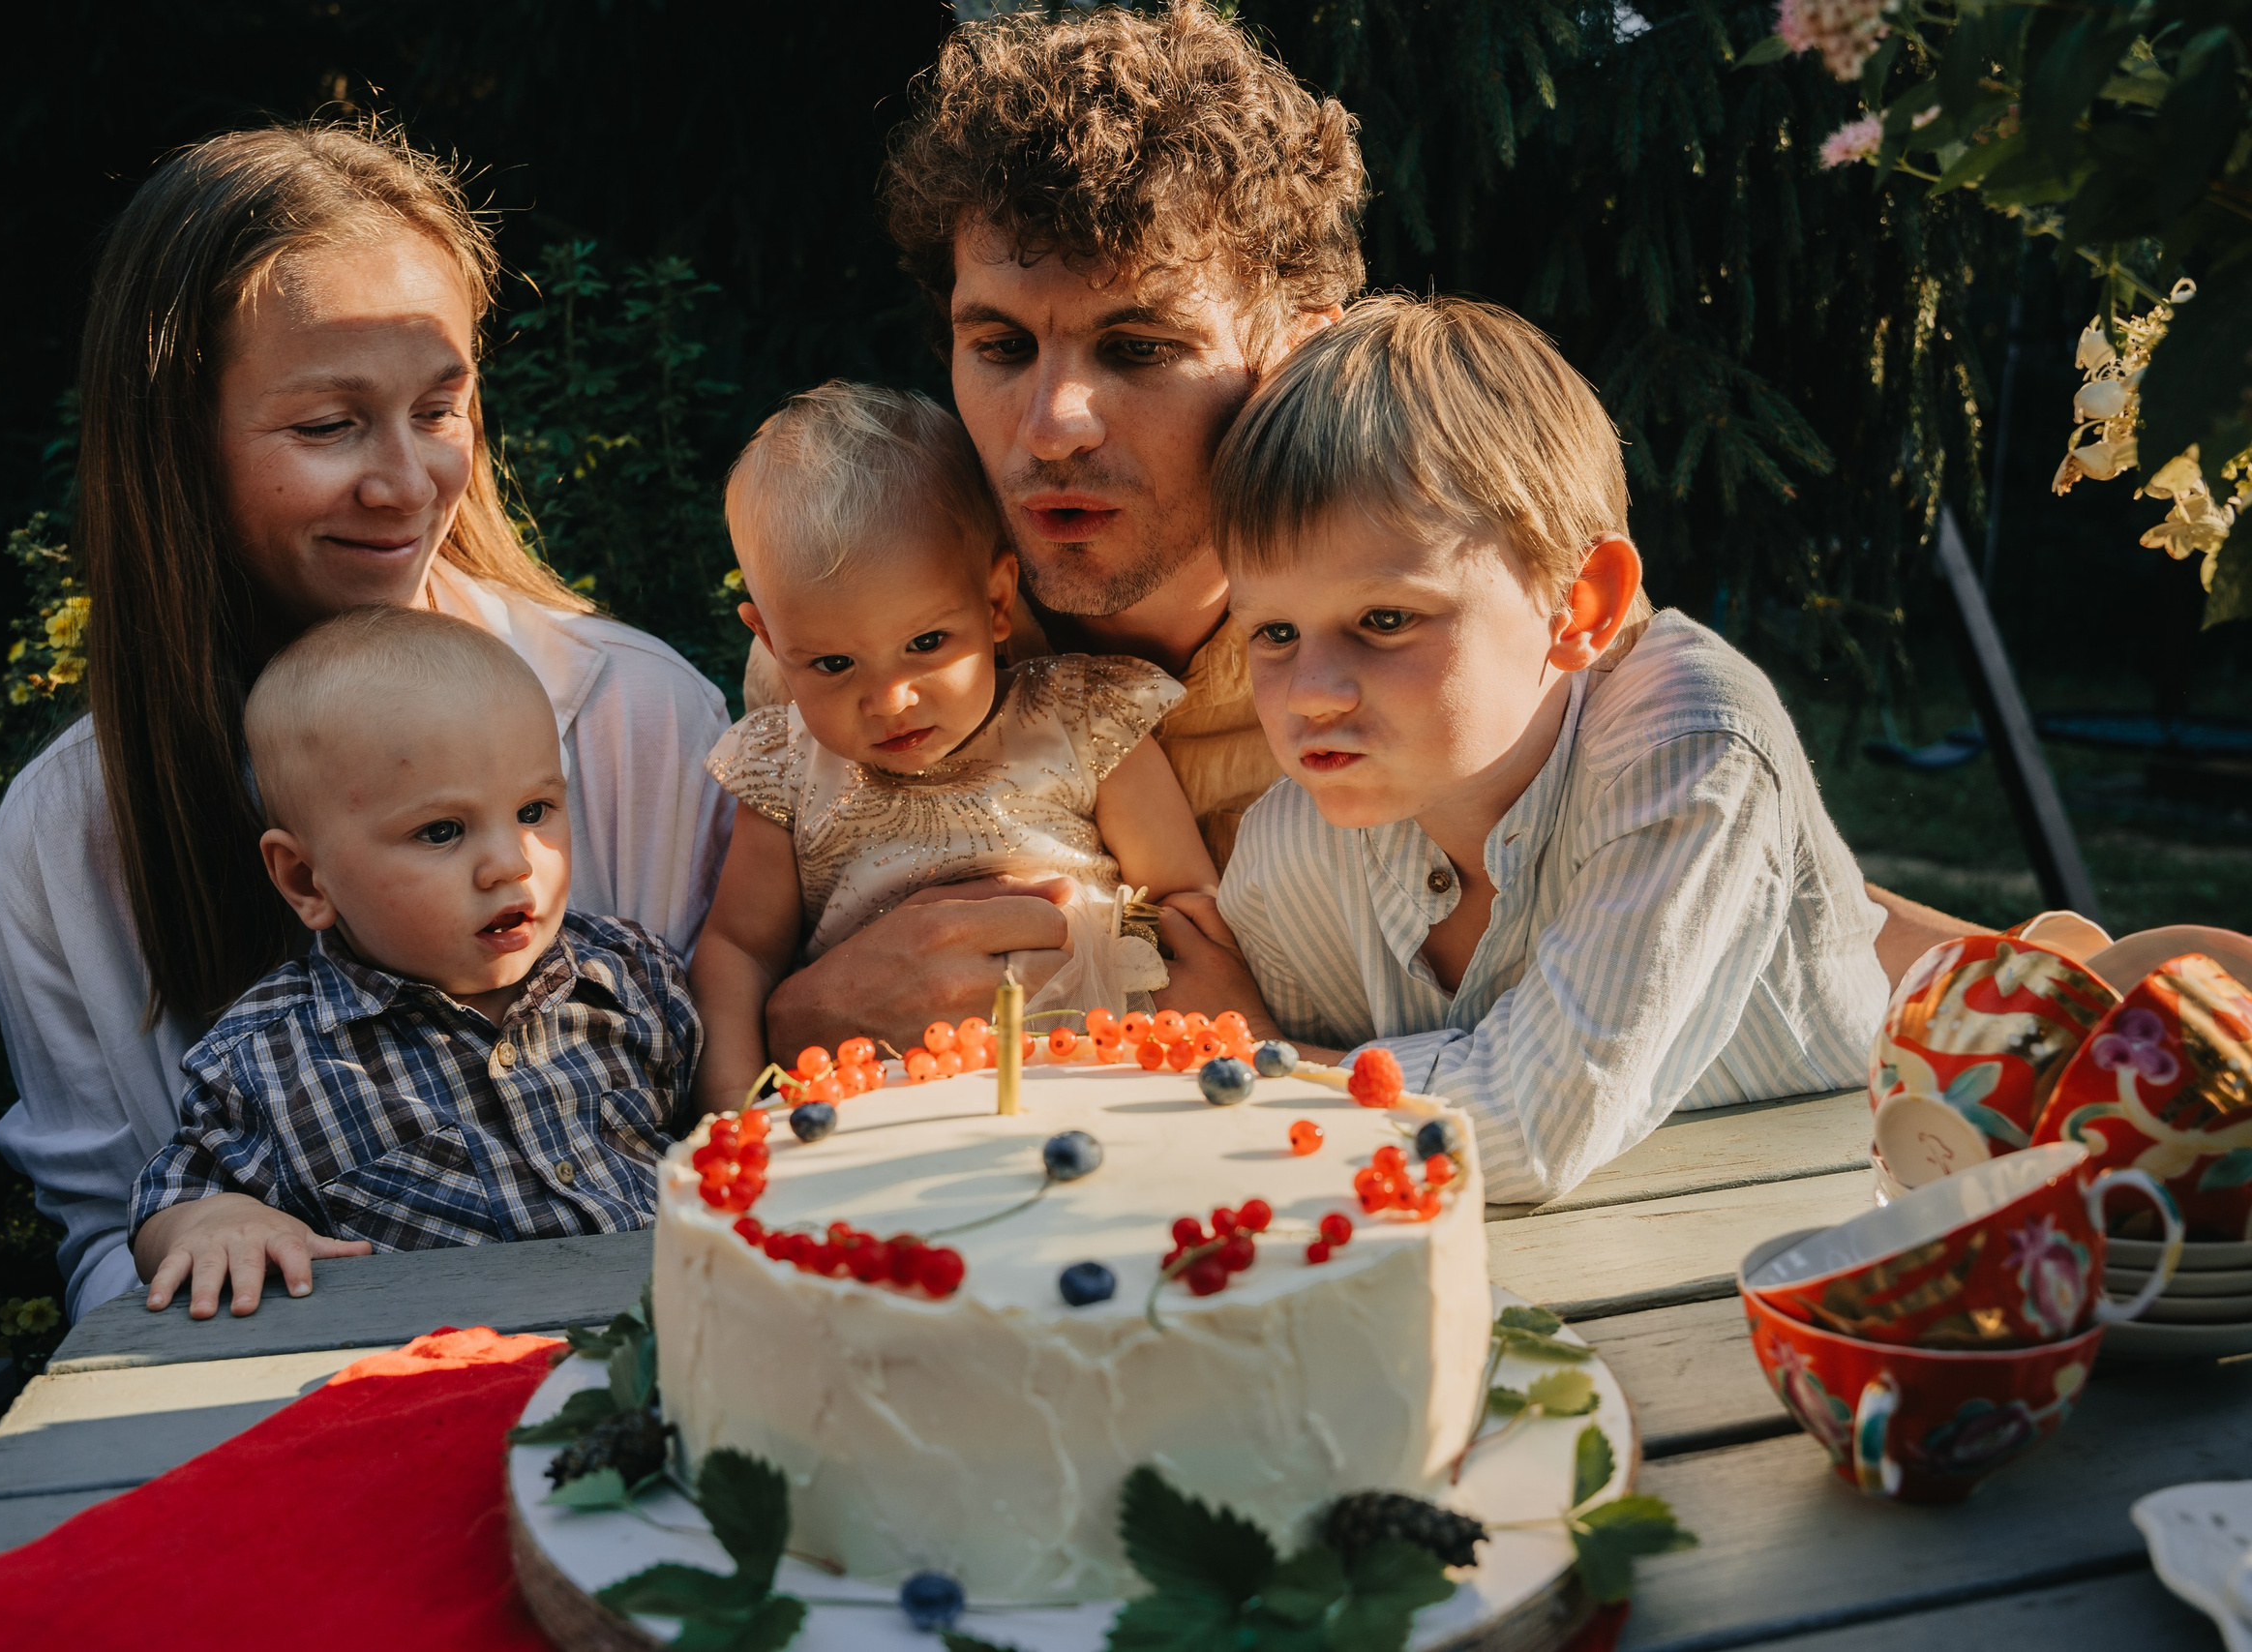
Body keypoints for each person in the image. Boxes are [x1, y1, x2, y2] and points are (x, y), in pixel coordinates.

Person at [761, 0, 1967, 1060]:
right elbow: (706, 964)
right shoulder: (860, 632)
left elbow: (1721, 890)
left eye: (1137, 348)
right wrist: (800, 1014)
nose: (1053, 422)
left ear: (1295, 348)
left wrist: (2067, 981)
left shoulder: (1438, 608)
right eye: (1001, 345)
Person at [0, 123, 733, 1325]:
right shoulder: (69, 836)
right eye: (327, 427)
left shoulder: (641, 717)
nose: (404, 483)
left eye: (439, 408)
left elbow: (734, 1121)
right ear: (175, 444)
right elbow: (113, 1243)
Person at [1205, 295, 1889, 1203]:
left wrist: (1262, 1065)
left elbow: (1526, 1129)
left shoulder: (1691, 744)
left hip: (1834, 1237)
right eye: (1275, 632)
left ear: (1581, 606)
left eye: (1384, 619)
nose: (1310, 693)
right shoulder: (1287, 862)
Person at [132, 608, 697, 1315]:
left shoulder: (630, 975)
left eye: (534, 810)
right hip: (442, 1369)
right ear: (307, 880)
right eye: (442, 830)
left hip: (674, 1335)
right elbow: (171, 1197)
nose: (510, 863)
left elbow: (730, 1129)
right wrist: (215, 1225)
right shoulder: (269, 1061)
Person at [692, 383, 1216, 1110]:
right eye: (833, 664)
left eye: (926, 643)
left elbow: (1186, 900)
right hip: (880, 1104)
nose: (890, 700)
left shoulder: (1081, 718)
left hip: (1100, 1078)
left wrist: (1209, 1053)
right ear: (771, 642)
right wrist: (733, 1108)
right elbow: (737, 951)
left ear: (997, 602)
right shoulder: (785, 769)